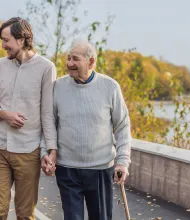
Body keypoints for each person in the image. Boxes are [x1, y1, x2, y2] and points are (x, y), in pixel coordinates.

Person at [41, 41, 132, 220]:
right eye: (68, 58)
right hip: (67, 169)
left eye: (75, 59)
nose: (69, 63)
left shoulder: (110, 87)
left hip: (100, 169)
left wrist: (122, 161)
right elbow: (49, 123)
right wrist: (46, 151)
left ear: (91, 62)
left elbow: (122, 126)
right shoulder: (57, 86)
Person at [0, 17, 57, 220]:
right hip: (0, 149)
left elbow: (47, 113)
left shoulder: (46, 68)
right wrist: (4, 114)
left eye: (6, 40)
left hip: (28, 151)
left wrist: (51, 150)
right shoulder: (0, 66)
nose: (3, 45)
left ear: (22, 40)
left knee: (25, 215)